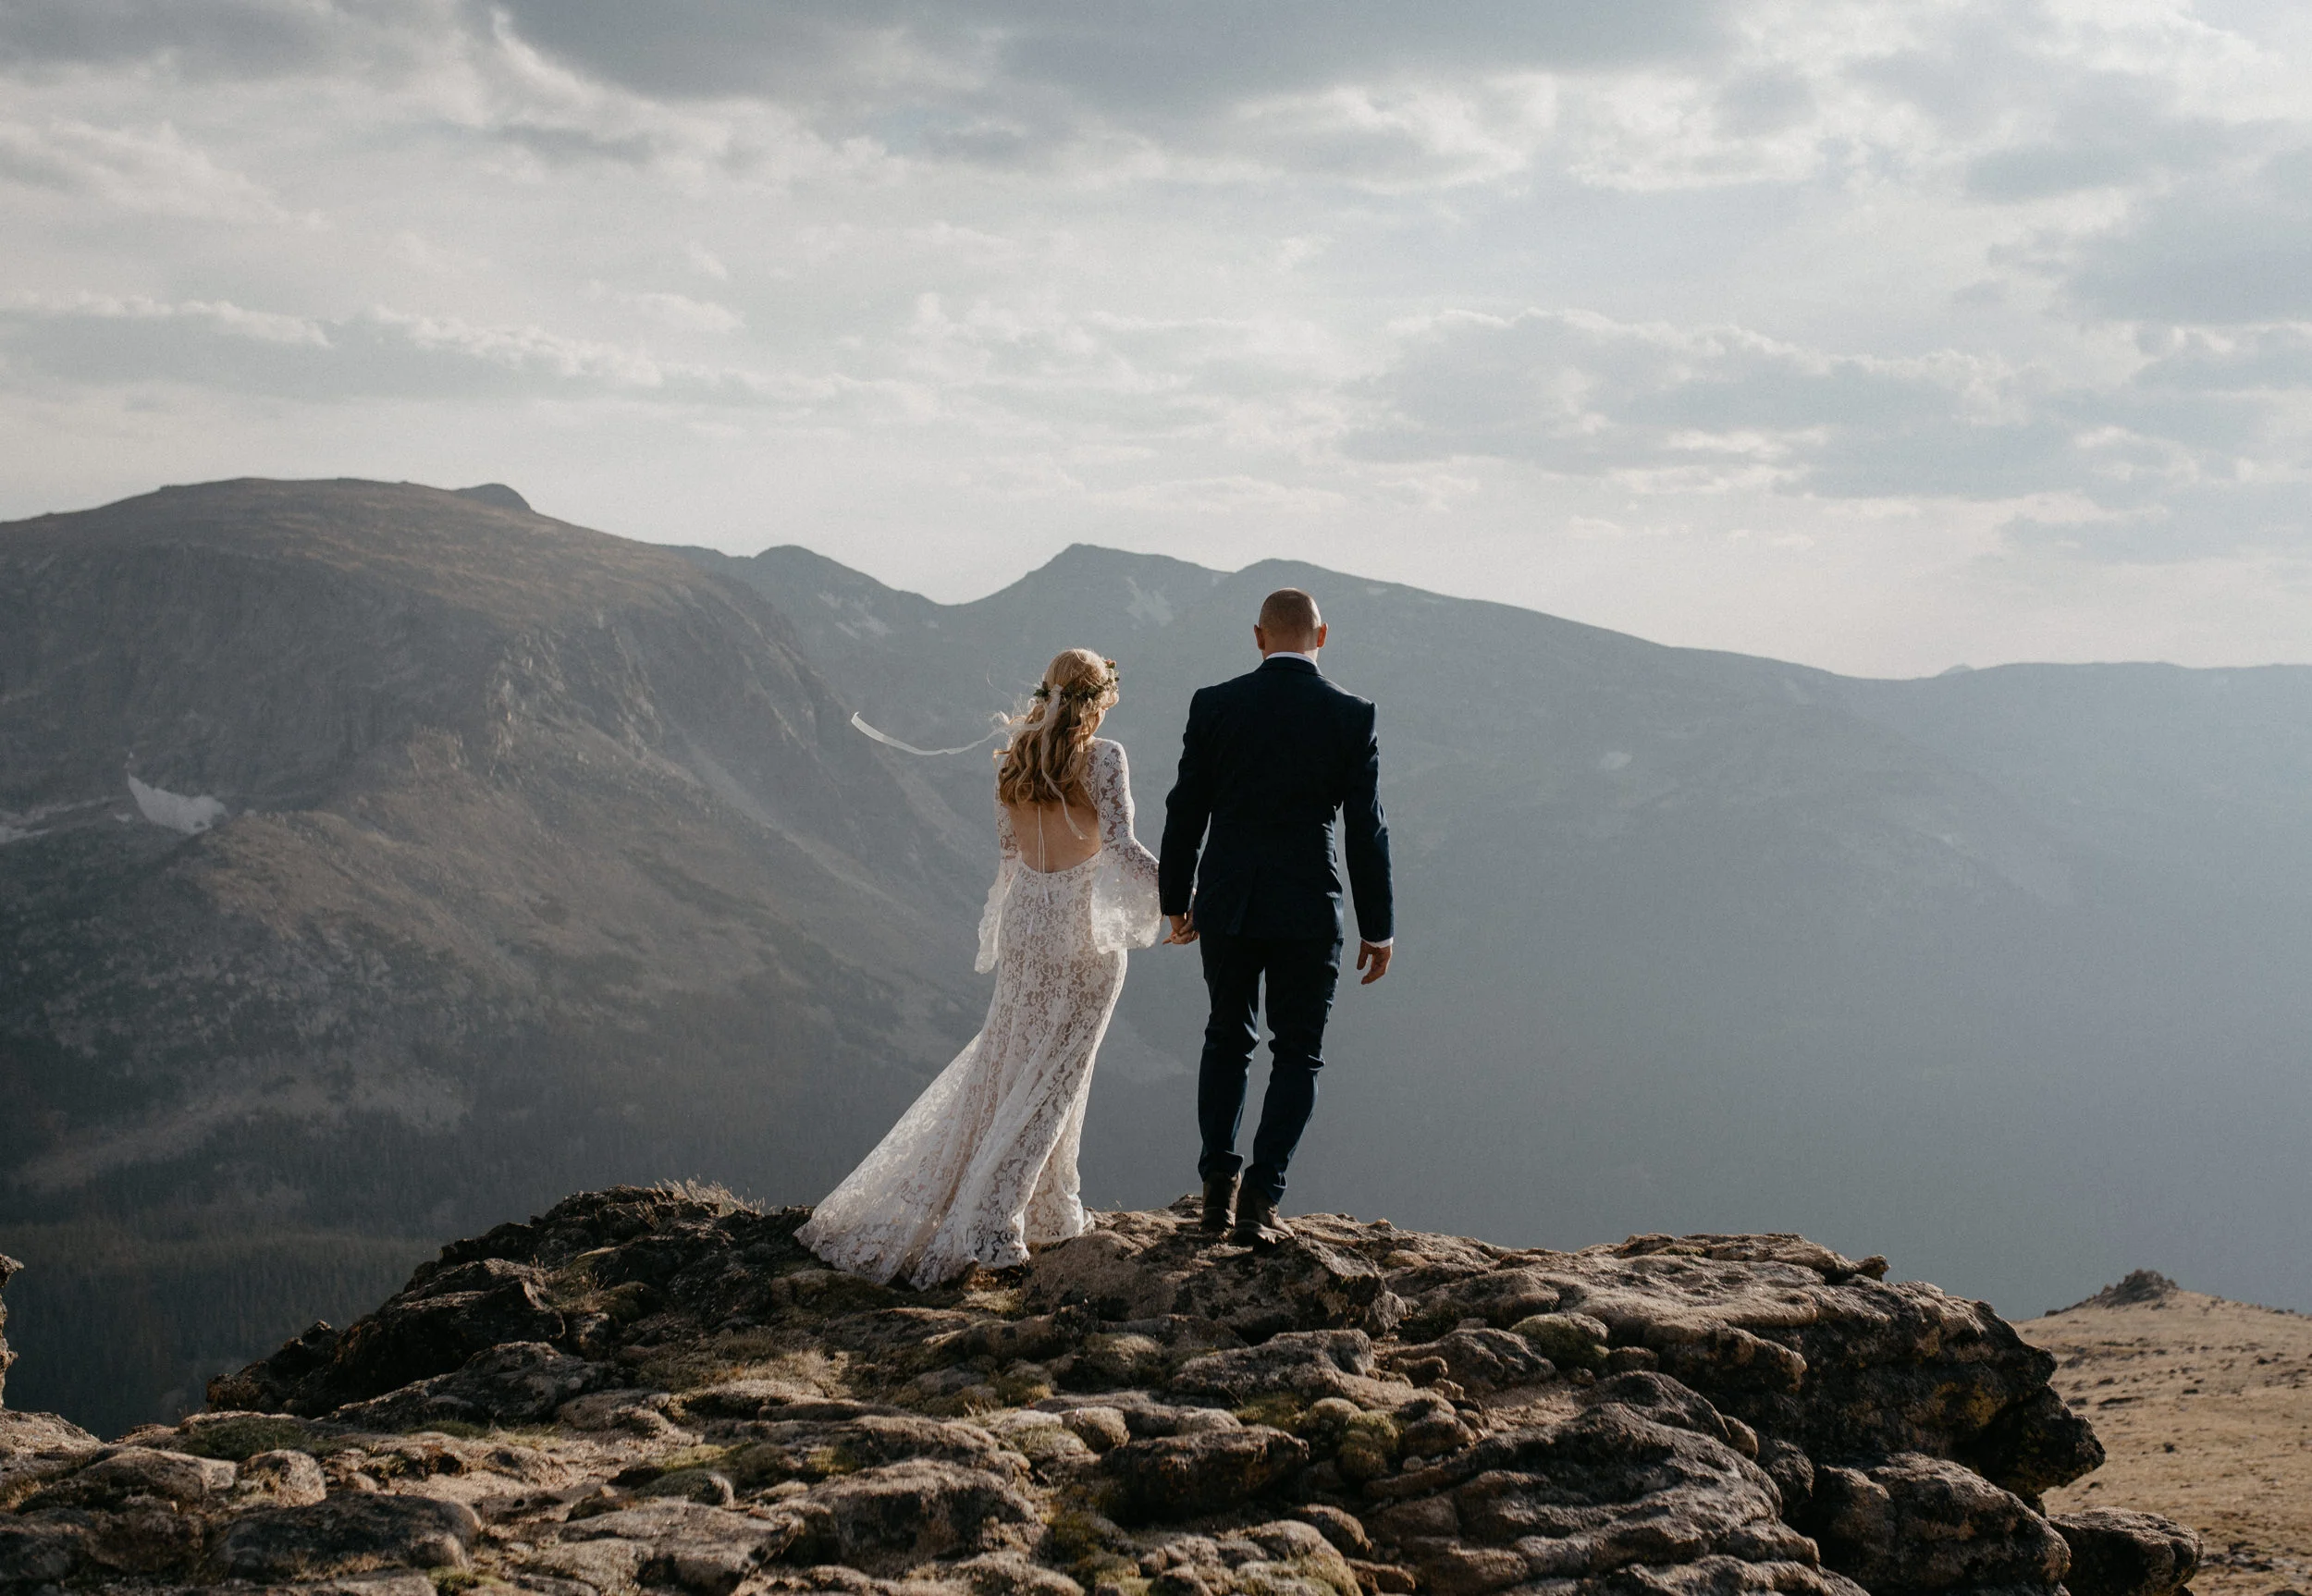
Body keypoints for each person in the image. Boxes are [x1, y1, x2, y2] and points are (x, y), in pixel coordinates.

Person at [798, 648, 1162, 1286]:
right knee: (1057, 1076)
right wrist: (1185, 902)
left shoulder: (1015, 757)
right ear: (1100, 698)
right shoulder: (1104, 758)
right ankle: (993, 1224)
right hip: (1079, 933)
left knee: (1012, 1062)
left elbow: (1009, 855)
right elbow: (1123, 849)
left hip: (1028, 920)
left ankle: (1050, 1208)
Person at [1160, 587, 1394, 1247]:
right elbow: (1365, 828)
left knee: (1225, 1038)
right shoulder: (1351, 715)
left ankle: (1214, 1194)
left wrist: (1175, 899)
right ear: (1322, 637)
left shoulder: (1215, 705)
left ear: (1258, 637)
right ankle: (1261, 1201)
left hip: (1228, 898)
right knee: (1298, 1054)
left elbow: (1186, 810)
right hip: (1308, 904)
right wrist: (1378, 925)